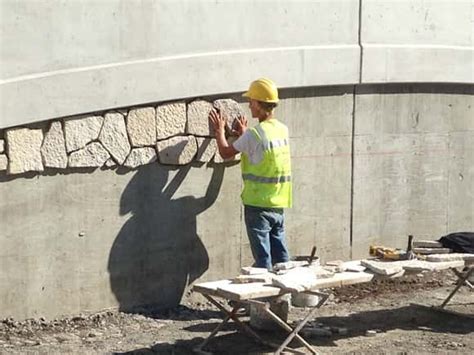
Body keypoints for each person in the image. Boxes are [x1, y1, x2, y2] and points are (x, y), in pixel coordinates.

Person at [209, 77, 292, 270]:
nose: (249, 105)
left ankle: (266, 297)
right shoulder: (281, 129)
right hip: (278, 204)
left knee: (263, 261)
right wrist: (244, 134)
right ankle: (284, 297)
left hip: (257, 206)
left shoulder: (254, 134)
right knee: (281, 257)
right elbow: (263, 152)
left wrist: (219, 131)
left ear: (260, 105)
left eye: (252, 102)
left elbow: (225, 153)